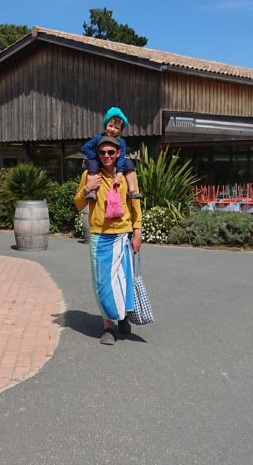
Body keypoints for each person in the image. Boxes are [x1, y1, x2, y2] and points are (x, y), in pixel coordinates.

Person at [74, 135, 143, 345]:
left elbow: (135, 204)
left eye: (111, 152)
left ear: (118, 153)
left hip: (123, 235)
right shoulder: (90, 174)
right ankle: (108, 327)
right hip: (99, 236)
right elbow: (78, 204)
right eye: (102, 152)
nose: (106, 156)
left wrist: (137, 231)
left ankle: (122, 318)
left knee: (122, 281)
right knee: (103, 284)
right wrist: (88, 188)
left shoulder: (128, 175)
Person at [81, 106, 142, 202]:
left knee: (129, 163)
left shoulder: (121, 141)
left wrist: (119, 173)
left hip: (117, 164)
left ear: (120, 130)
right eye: (110, 126)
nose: (113, 129)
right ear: (105, 125)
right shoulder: (99, 138)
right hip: (99, 162)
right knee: (93, 165)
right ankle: (92, 191)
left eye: (116, 128)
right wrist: (97, 157)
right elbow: (85, 148)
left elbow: (121, 158)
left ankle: (132, 190)